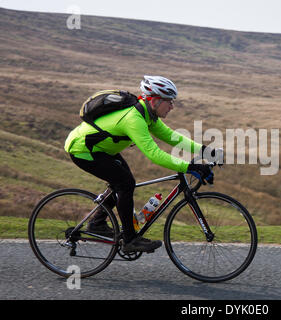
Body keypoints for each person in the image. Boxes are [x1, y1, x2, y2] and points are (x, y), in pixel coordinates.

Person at [64, 76, 217, 253]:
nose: (172, 107)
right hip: (83, 150)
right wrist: (191, 167)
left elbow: (172, 137)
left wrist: (207, 152)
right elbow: (154, 154)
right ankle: (129, 240)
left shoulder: (148, 115)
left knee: (123, 183)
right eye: (169, 102)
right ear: (154, 101)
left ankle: (96, 223)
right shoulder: (134, 119)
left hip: (103, 150)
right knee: (125, 183)